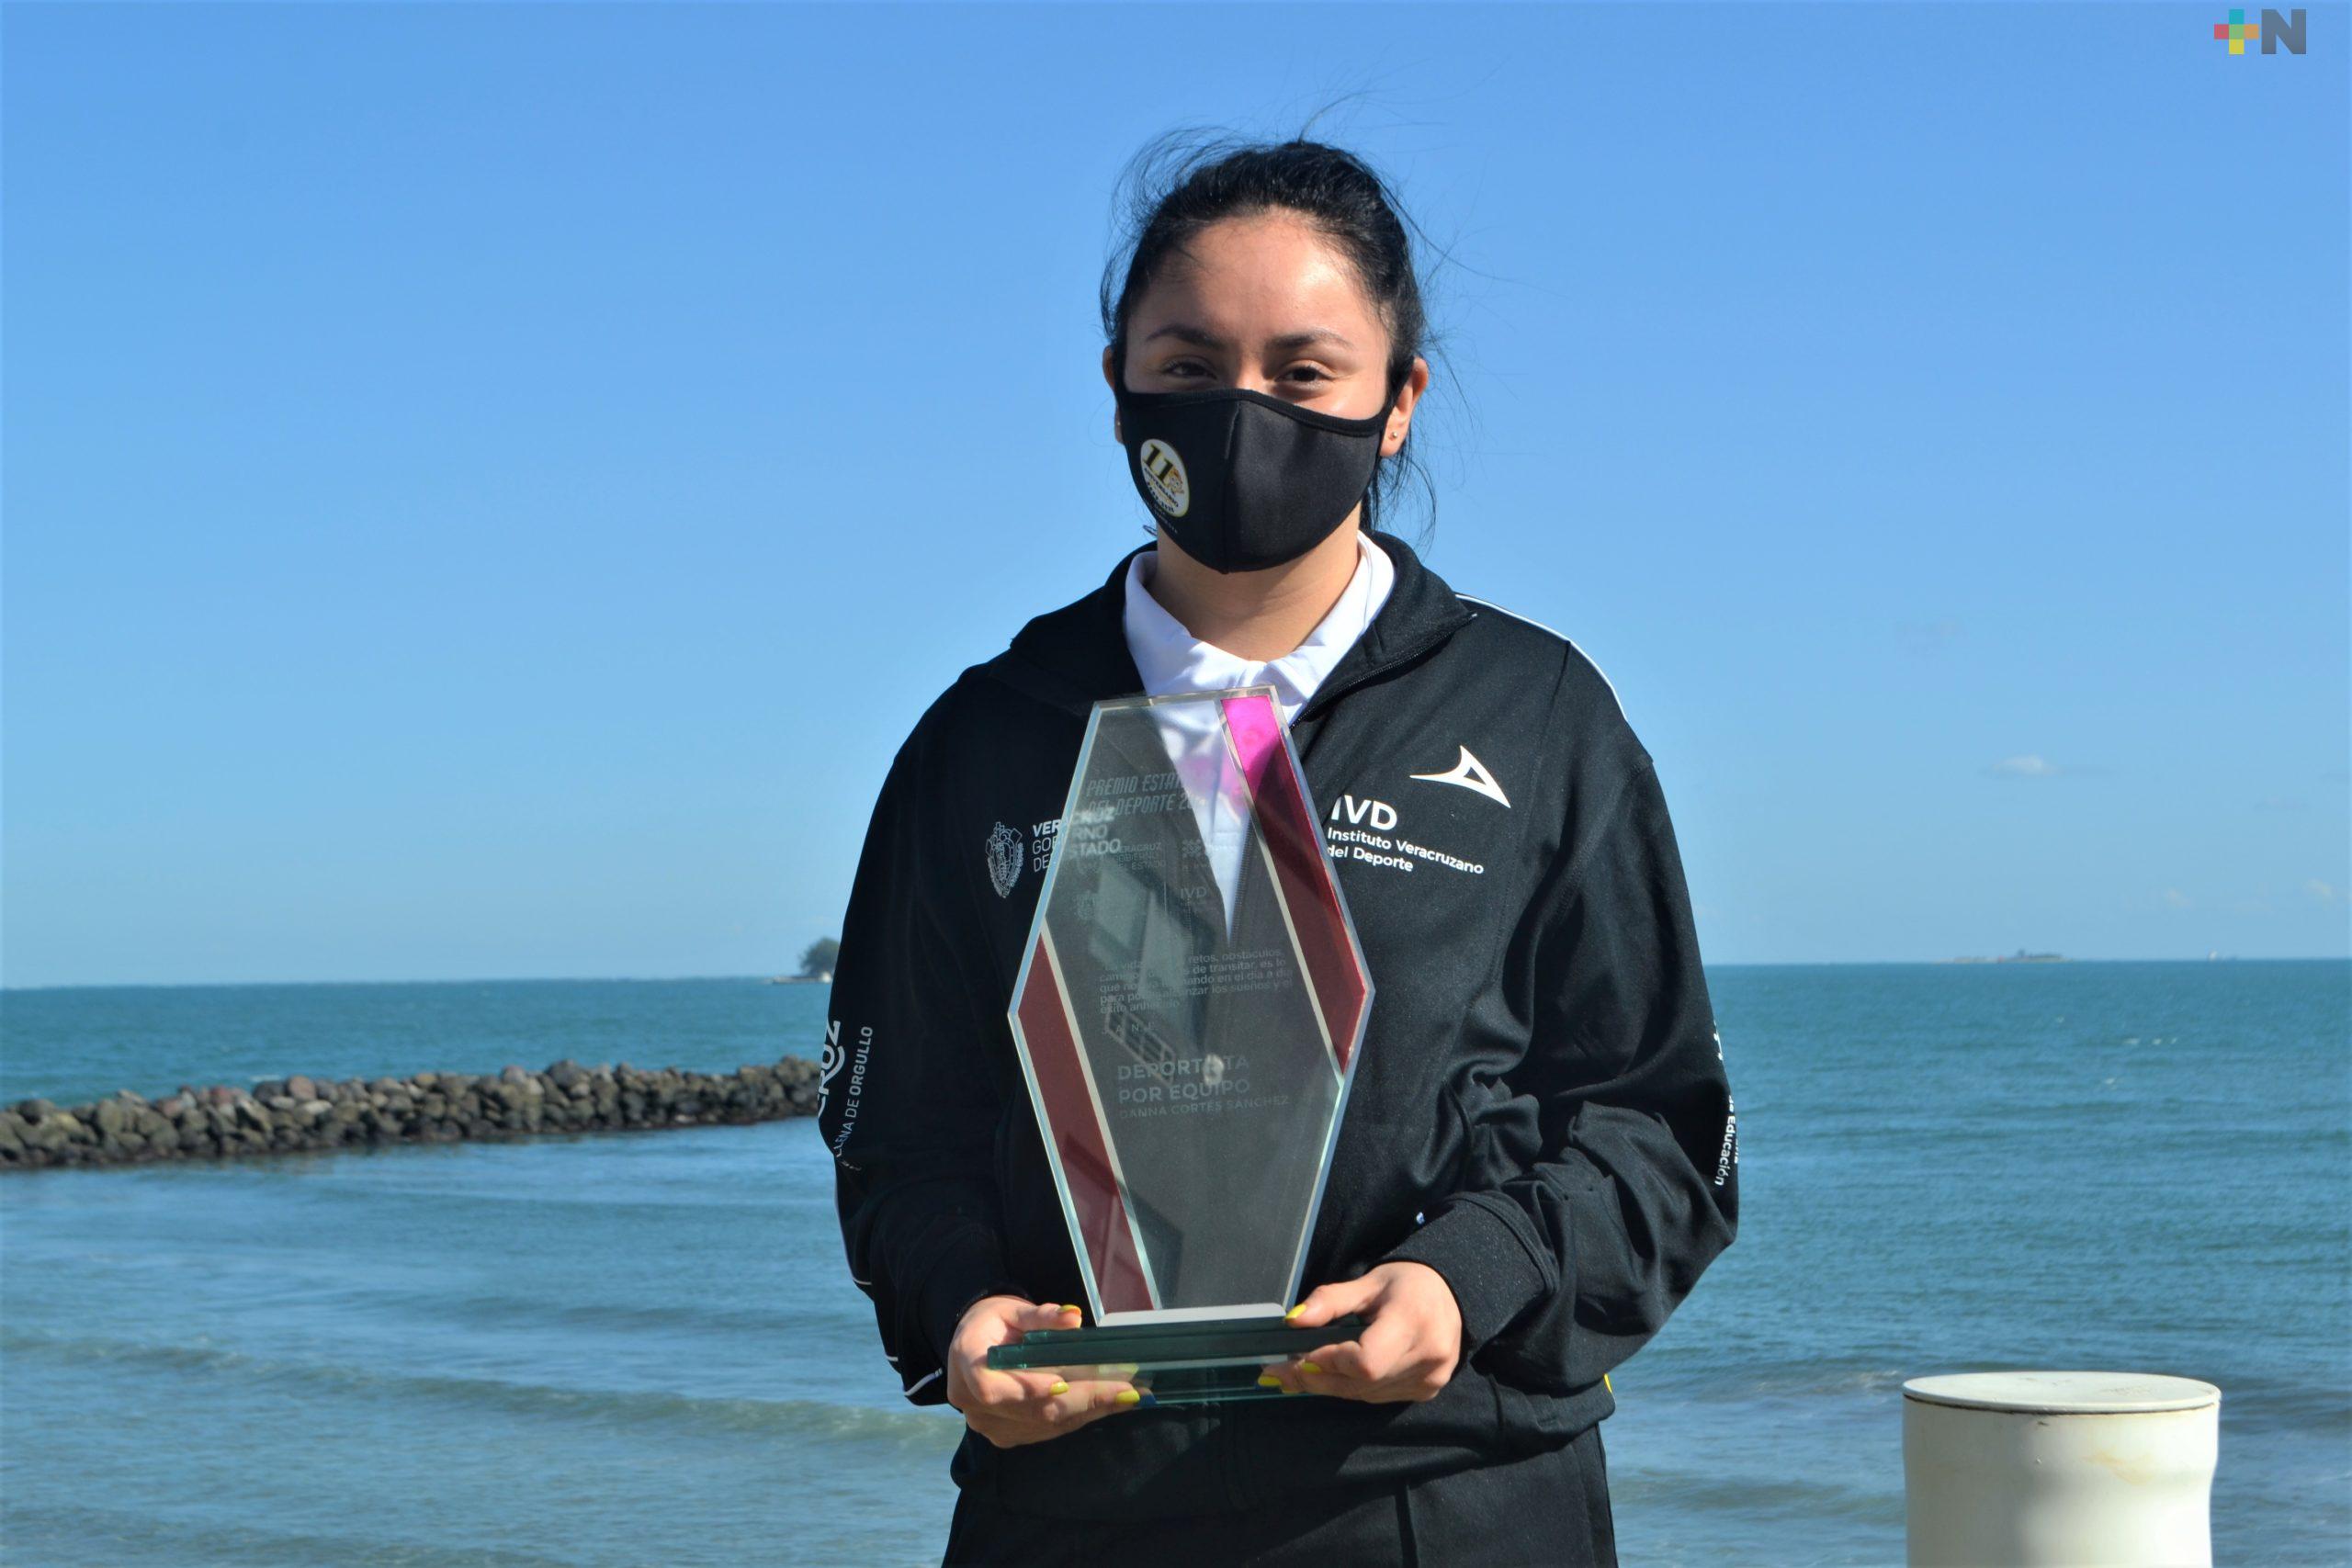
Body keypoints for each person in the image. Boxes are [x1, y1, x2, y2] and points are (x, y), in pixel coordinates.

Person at [816, 130, 1740, 1568]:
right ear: (1118, 384)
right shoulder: (985, 740)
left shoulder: (1535, 715)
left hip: (1444, 1500)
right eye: (1188, 364)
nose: (1241, 413)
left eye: (1304, 373)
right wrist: (958, 1309)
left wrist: (1467, 1279)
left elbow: (1660, 1129)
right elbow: (898, 1133)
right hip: (1073, 1508)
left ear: (1398, 401)